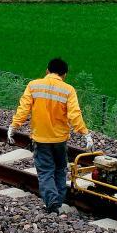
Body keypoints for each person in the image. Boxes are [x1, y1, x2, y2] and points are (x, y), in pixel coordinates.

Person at [8, 58, 94, 213]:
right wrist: (85, 133)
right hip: (60, 139)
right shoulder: (68, 90)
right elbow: (74, 115)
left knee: (46, 171)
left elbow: (23, 109)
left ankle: (52, 203)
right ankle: (58, 200)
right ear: (64, 74)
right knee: (60, 169)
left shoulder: (33, 85)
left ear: (47, 71)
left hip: (40, 139)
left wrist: (13, 127)